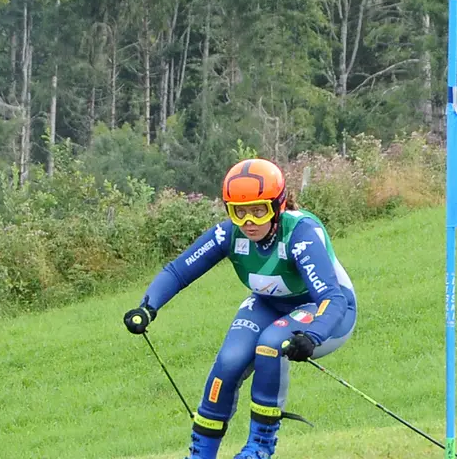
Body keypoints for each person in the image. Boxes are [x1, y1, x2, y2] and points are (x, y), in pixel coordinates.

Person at [123, 158, 357, 459]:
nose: (249, 222)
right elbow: (178, 271)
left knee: (271, 344)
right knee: (229, 361)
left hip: (326, 310)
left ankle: (259, 447)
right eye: (239, 212)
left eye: (259, 210)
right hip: (269, 304)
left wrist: (313, 335)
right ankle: (200, 453)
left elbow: (332, 299)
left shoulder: (300, 234)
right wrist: (148, 307)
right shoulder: (229, 234)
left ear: (278, 205)